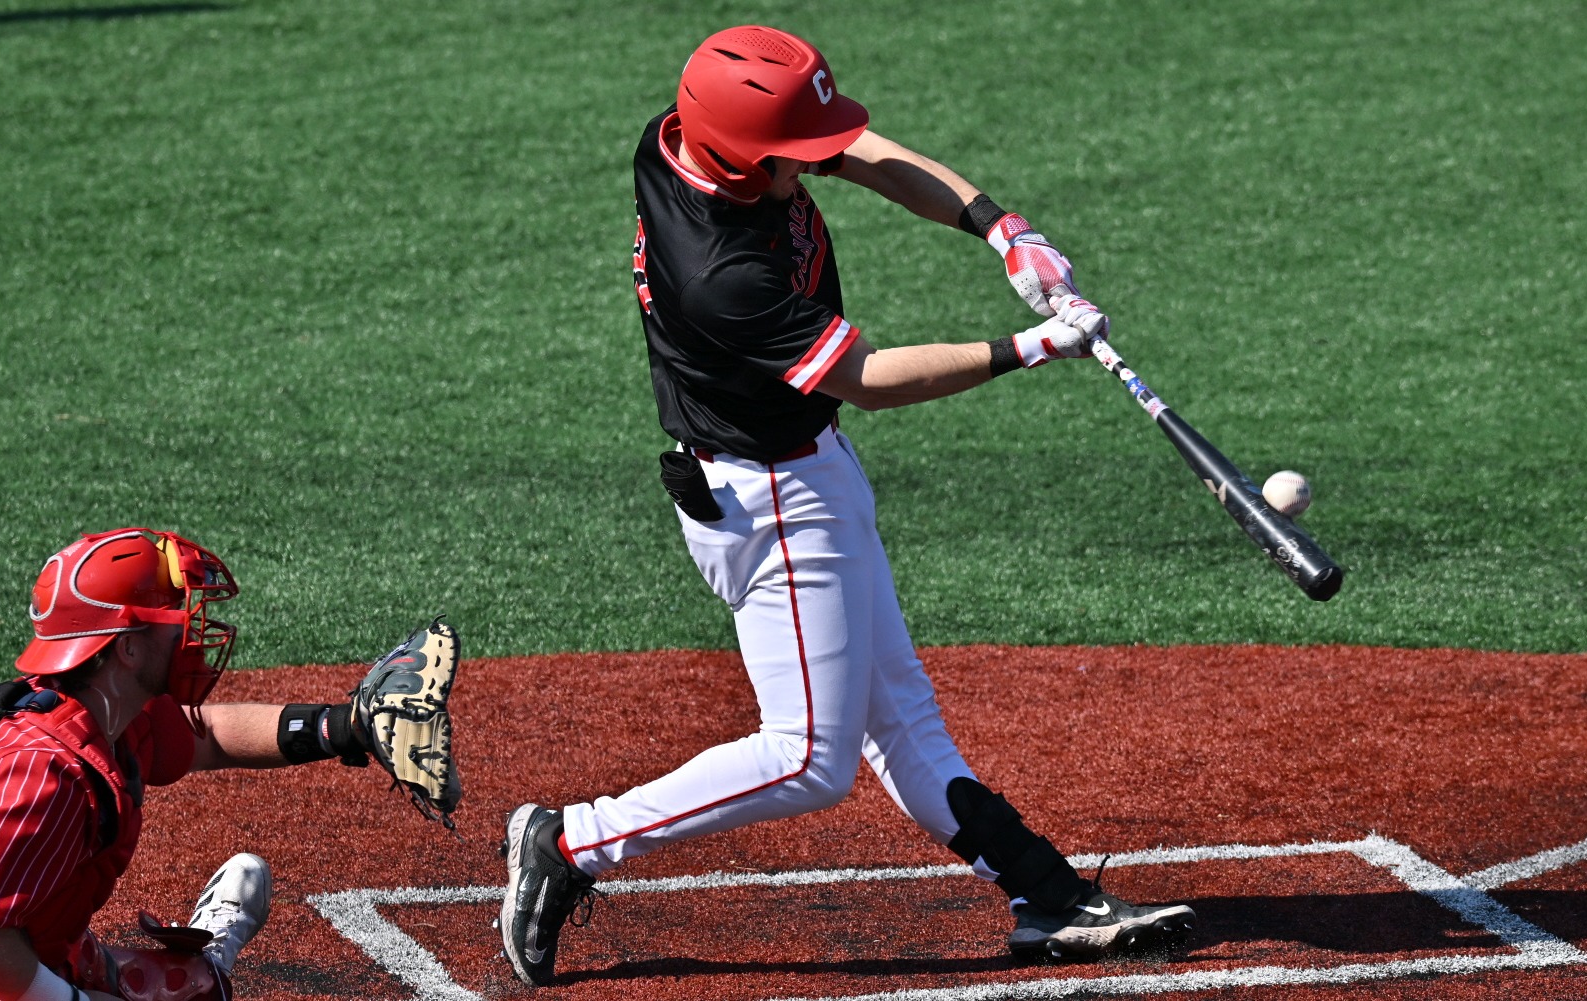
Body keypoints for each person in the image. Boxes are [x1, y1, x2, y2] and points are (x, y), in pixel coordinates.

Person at [496, 25, 1196, 986]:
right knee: (809, 758)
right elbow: (865, 377)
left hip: (807, 468)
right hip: (770, 495)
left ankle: (1049, 897)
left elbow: (862, 150)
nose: (821, 163)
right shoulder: (723, 274)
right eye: (798, 155)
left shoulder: (684, 139)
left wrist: (1005, 229)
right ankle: (571, 842)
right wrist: (1031, 347)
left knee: (904, 720)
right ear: (745, 158)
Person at [0, 527, 460, 1000]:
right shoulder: (41, 769)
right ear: (125, 648)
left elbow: (207, 735)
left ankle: (206, 957)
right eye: (174, 617)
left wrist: (347, 726)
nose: (193, 629)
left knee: (190, 986)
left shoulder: (101, 712)